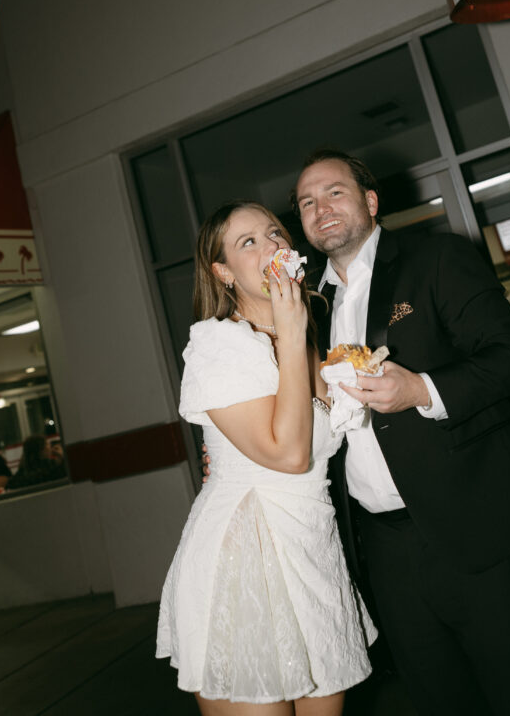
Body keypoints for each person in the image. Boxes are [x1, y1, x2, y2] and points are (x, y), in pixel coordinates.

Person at [292, 148, 510, 716]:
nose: (320, 209)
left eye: (335, 193)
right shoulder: (306, 310)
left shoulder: (437, 259)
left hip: (475, 527)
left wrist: (422, 390)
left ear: (370, 203)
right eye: (306, 202)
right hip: (383, 549)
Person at [156, 200, 376, 714]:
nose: (271, 245)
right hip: (244, 555)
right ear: (223, 271)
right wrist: (293, 328)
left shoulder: (308, 341)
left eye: (275, 232)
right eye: (248, 242)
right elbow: (291, 453)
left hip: (313, 552)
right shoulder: (218, 344)